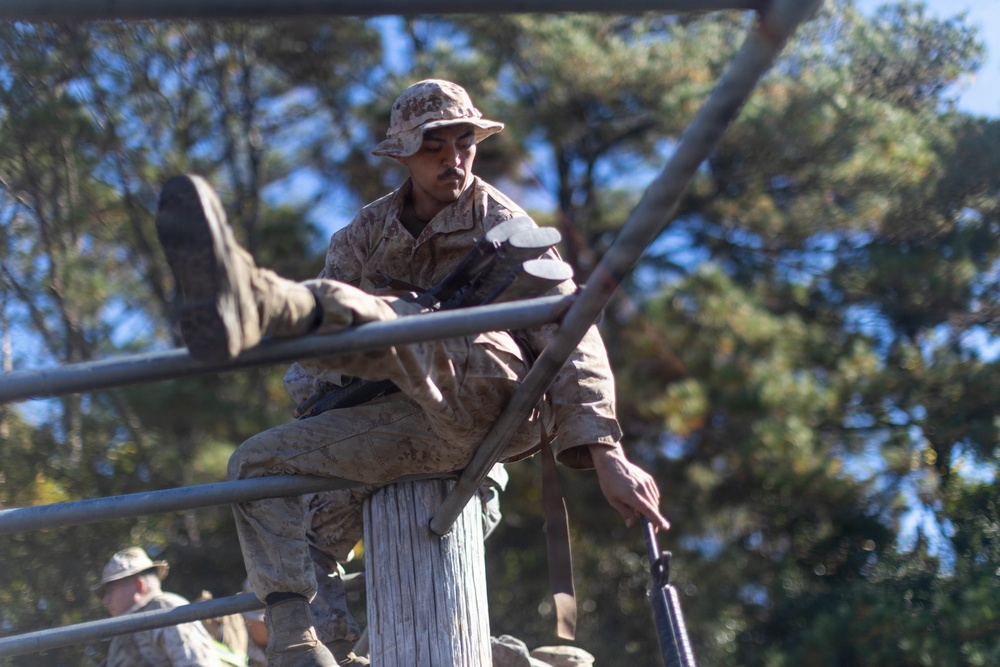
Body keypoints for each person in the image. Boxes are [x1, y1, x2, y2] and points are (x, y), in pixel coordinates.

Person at [154, 78, 668, 667]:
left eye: (465, 142)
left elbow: (571, 330)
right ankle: (304, 644)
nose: (454, 159)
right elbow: (317, 369)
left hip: (488, 394)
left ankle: (257, 302)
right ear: (403, 153)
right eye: (434, 146)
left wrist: (605, 451)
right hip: (405, 418)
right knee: (257, 465)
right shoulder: (364, 236)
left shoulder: (500, 220)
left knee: (397, 321)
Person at [93, 547, 224, 667]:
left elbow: (197, 663)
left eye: (110, 590)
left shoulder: (164, 609)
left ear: (139, 585)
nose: (105, 600)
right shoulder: (128, 628)